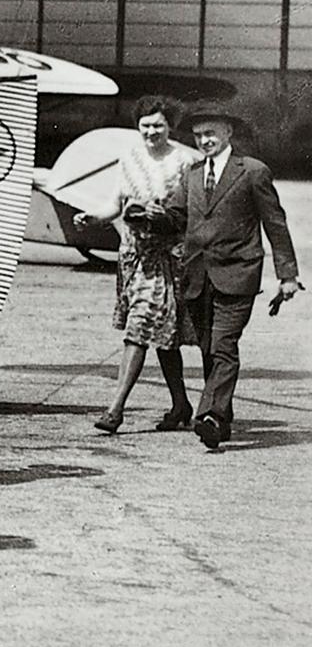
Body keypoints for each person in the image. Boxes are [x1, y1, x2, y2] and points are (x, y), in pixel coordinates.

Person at [162, 107, 299, 449]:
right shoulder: (192, 174)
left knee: (224, 346)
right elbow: (176, 216)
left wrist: (287, 275)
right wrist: (141, 215)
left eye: (210, 133)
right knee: (210, 349)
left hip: (238, 273)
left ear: (227, 133)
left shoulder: (253, 172)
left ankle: (209, 415)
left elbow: (275, 225)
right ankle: (220, 422)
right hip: (196, 275)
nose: (204, 140)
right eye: (198, 135)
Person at [74, 96, 200, 434]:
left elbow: (194, 212)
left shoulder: (184, 161)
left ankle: (115, 410)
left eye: (158, 125)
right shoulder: (129, 158)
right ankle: (180, 404)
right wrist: (92, 218)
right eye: (145, 125)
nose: (151, 131)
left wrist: (167, 217)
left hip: (167, 258)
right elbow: (115, 204)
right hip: (133, 259)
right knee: (163, 336)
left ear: (170, 126)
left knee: (140, 328)